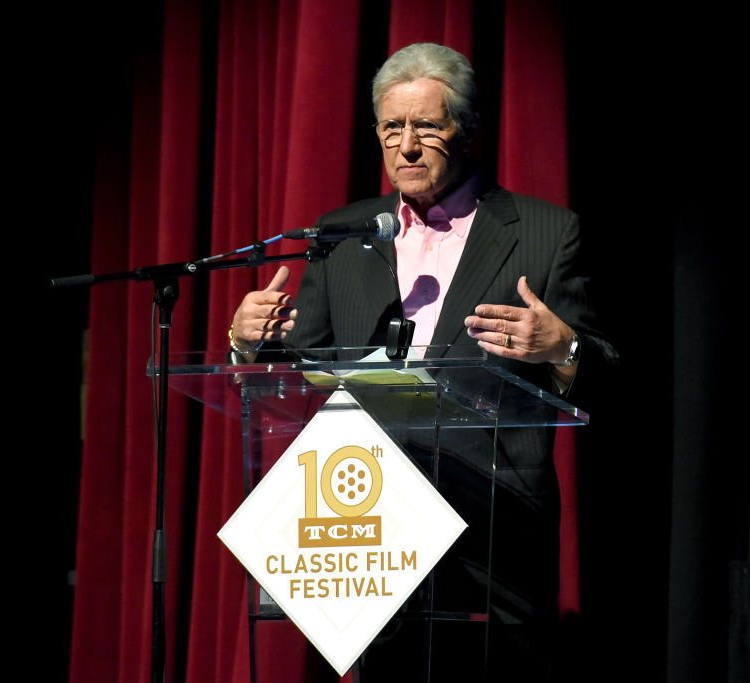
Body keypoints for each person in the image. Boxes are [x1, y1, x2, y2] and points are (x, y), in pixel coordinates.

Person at [228, 42, 618, 681]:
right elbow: (303, 365)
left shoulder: (548, 232)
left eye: (427, 127)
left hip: (493, 532)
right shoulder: (342, 234)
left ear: (464, 132)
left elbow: (609, 381)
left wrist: (563, 347)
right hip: (367, 526)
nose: (406, 146)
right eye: (391, 128)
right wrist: (251, 341)